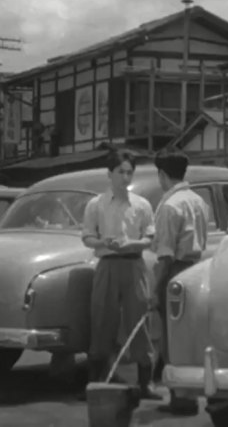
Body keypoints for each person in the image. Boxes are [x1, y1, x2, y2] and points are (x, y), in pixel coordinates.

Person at [81, 149, 161, 400]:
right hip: (107, 264)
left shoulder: (141, 205)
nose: (125, 177)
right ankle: (96, 381)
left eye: (129, 172)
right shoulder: (96, 204)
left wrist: (131, 244)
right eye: (120, 172)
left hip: (134, 263)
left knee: (139, 320)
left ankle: (145, 382)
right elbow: (86, 236)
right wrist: (102, 241)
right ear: (110, 174)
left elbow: (149, 237)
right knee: (102, 319)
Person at [152, 147, 208, 416]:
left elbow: (164, 255)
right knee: (191, 336)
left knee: (171, 338)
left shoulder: (169, 206)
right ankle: (192, 394)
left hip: (174, 271)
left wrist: (154, 289)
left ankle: (180, 398)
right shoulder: (198, 201)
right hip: (196, 270)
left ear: (162, 174)